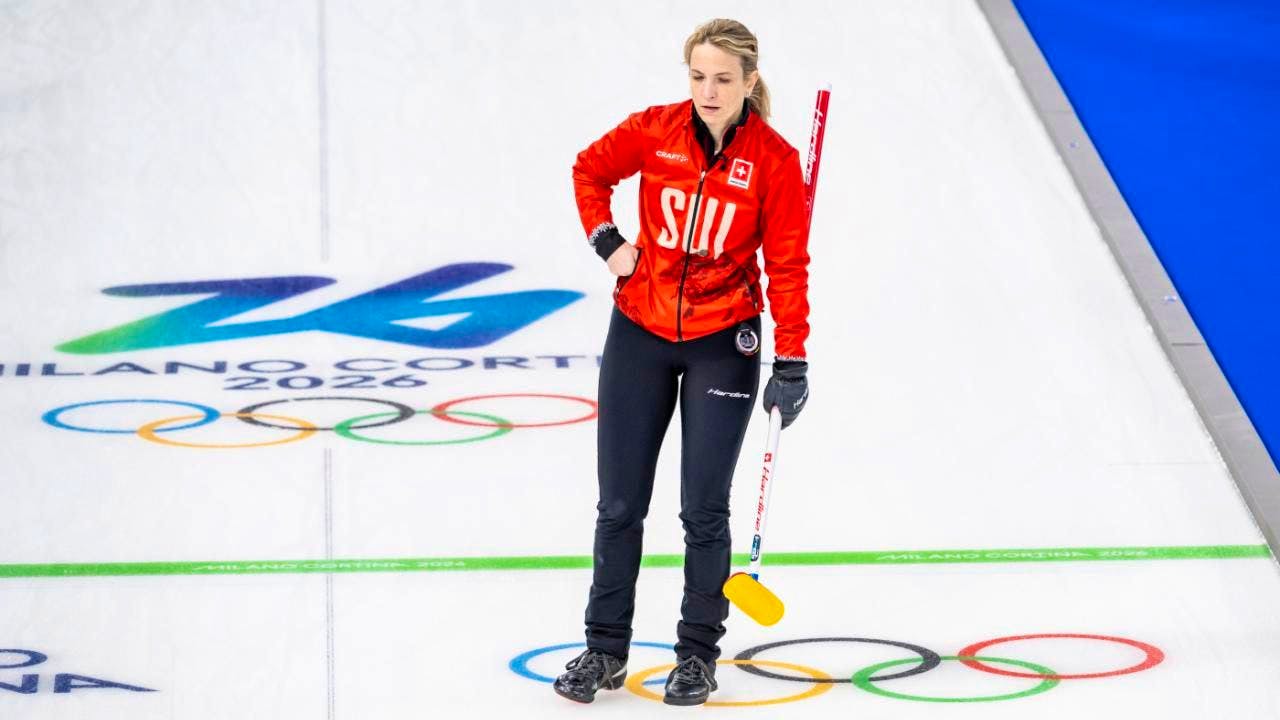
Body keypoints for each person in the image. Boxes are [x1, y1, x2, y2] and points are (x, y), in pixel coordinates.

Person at [554, 18, 811, 706]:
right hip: (639, 327)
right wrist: (610, 242)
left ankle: (696, 656)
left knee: (703, 509)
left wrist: (793, 360)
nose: (708, 90)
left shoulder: (776, 162)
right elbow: (589, 170)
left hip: (723, 343)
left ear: (749, 83)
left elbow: (786, 263)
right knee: (619, 505)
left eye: (723, 79)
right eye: (698, 76)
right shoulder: (654, 129)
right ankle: (604, 650)